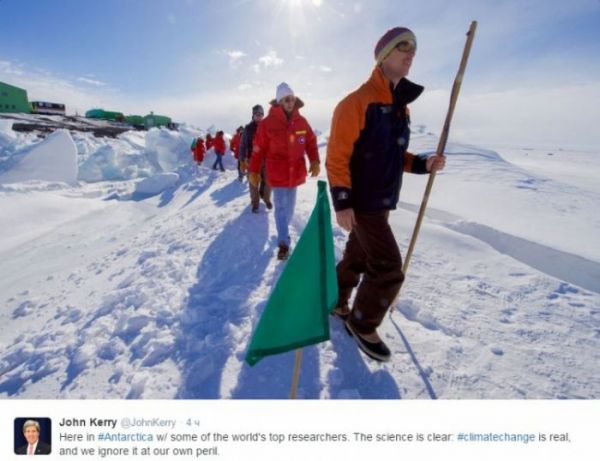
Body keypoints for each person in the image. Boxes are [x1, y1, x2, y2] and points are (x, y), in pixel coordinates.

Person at [326, 27, 446, 362]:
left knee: (359, 256)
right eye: (403, 46)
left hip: (382, 200)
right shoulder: (356, 102)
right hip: (363, 201)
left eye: (414, 48)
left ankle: (336, 301)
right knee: (389, 267)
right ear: (383, 56)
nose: (411, 53)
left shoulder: (399, 108)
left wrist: (424, 163)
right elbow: (337, 155)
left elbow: (397, 155)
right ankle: (362, 323)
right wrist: (343, 202)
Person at [249, 82, 320, 260]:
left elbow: (310, 141)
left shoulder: (302, 121)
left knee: (289, 209)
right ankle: (283, 243)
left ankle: (283, 232)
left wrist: (315, 160)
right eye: (287, 99)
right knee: (280, 208)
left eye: (293, 99)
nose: (290, 102)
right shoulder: (267, 124)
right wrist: (254, 171)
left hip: (295, 172)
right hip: (277, 173)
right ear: (280, 101)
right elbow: (259, 148)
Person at [239, 104, 272, 212]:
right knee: (253, 182)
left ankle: (266, 197)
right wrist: (242, 160)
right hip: (252, 160)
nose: (259, 116)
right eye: (257, 114)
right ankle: (255, 203)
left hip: (266, 159)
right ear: (253, 116)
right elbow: (242, 145)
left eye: (261, 114)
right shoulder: (248, 129)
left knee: (268, 180)